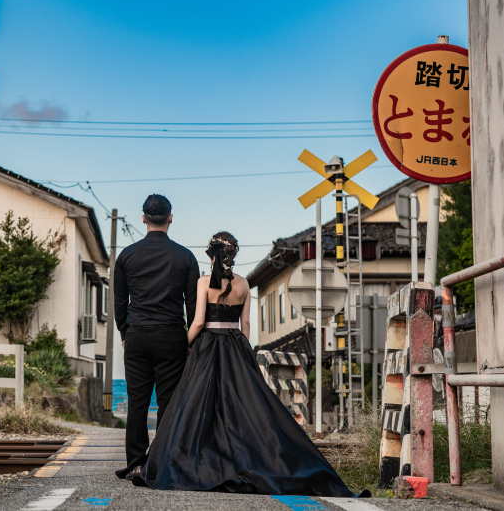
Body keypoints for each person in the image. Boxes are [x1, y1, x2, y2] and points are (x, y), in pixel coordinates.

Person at [133, 231, 368, 497]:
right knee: (243, 407)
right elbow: (245, 325)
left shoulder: (203, 283)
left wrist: (185, 344)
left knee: (198, 406)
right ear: (233, 256)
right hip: (235, 345)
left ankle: (203, 457)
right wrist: (241, 350)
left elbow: (198, 322)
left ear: (212, 255)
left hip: (208, 346)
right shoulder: (244, 285)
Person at [114, 194, 200, 481]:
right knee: (167, 401)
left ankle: (136, 463)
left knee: (137, 401)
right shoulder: (185, 256)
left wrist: (125, 332)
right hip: (171, 335)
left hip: (137, 333)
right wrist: (189, 340)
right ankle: (160, 462)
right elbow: (193, 304)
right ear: (170, 218)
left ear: (143, 218)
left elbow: (119, 300)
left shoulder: (126, 255)